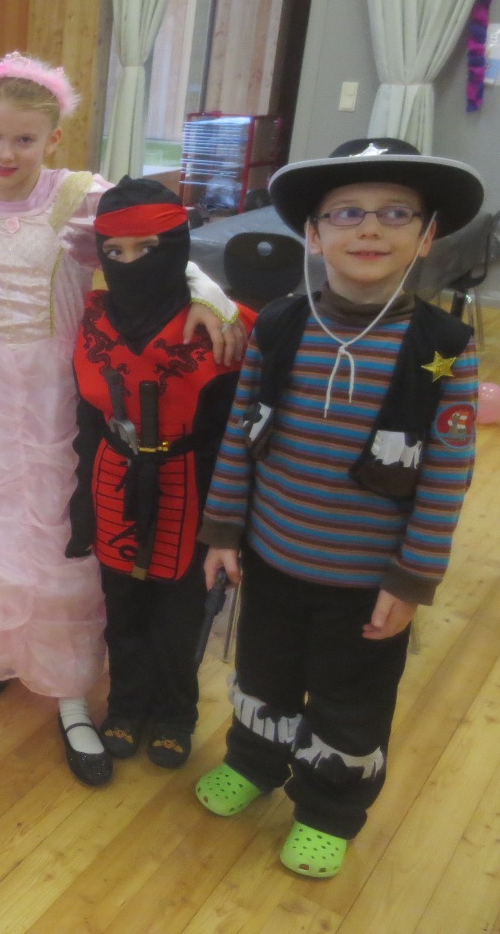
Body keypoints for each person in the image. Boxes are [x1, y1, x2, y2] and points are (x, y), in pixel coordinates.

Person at [0, 52, 241, 787]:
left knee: (60, 530)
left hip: (69, 391)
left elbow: (164, 251)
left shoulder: (80, 196)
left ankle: (68, 685)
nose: (6, 153)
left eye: (24, 139)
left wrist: (207, 299)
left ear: (53, 139)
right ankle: (5, 652)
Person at [195, 138, 481, 878]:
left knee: (351, 702)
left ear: (426, 235)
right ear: (314, 234)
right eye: (346, 212)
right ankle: (254, 761)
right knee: (261, 677)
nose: (370, 228)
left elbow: (446, 474)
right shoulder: (279, 326)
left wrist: (411, 578)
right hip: (273, 557)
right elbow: (242, 433)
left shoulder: (443, 346)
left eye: (395, 213)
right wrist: (223, 531)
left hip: (366, 580)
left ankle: (327, 810)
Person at [68, 177, 255, 778]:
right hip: (113, 477)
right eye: (115, 252)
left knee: (181, 616)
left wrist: (229, 522)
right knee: (122, 608)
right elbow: (88, 420)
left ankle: (176, 714)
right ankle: (126, 704)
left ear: (175, 246)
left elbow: (237, 436)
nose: (131, 265)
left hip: (191, 482)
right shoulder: (93, 321)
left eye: (147, 249)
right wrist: (81, 504)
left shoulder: (223, 327)